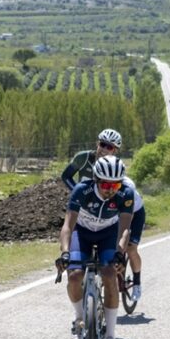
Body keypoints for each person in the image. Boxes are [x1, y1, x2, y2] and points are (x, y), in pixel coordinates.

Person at [55, 155, 136, 339]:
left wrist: (119, 253)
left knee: (109, 275)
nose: (111, 190)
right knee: (74, 275)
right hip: (81, 233)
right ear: (96, 180)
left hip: (108, 235)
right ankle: (79, 318)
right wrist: (65, 252)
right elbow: (67, 226)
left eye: (115, 185)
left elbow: (125, 229)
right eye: (106, 185)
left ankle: (110, 336)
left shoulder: (125, 193)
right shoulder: (82, 191)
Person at [61, 128, 145, 301]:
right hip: (92, 211)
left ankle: (136, 282)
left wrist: (120, 250)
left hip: (132, 212)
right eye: (103, 144)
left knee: (130, 248)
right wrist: (79, 195)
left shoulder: (117, 173)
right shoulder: (83, 158)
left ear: (116, 151)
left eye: (111, 147)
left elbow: (125, 214)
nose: (105, 149)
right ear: (97, 143)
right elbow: (66, 176)